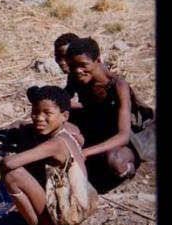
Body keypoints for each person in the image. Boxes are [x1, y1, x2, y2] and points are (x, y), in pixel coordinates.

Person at [0, 85, 98, 225]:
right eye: (35, 112)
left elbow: (9, 163)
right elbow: (23, 126)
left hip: (66, 216)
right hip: (73, 208)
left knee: (14, 175)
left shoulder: (56, 144)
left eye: (47, 113)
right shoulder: (67, 133)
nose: (39, 118)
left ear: (64, 116)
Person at [65, 36, 152, 192]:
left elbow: (123, 136)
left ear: (98, 60)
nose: (78, 70)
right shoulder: (75, 77)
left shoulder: (117, 85)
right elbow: (62, 103)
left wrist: (86, 152)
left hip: (123, 134)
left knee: (116, 162)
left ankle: (130, 168)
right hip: (95, 126)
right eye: (72, 66)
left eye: (83, 65)